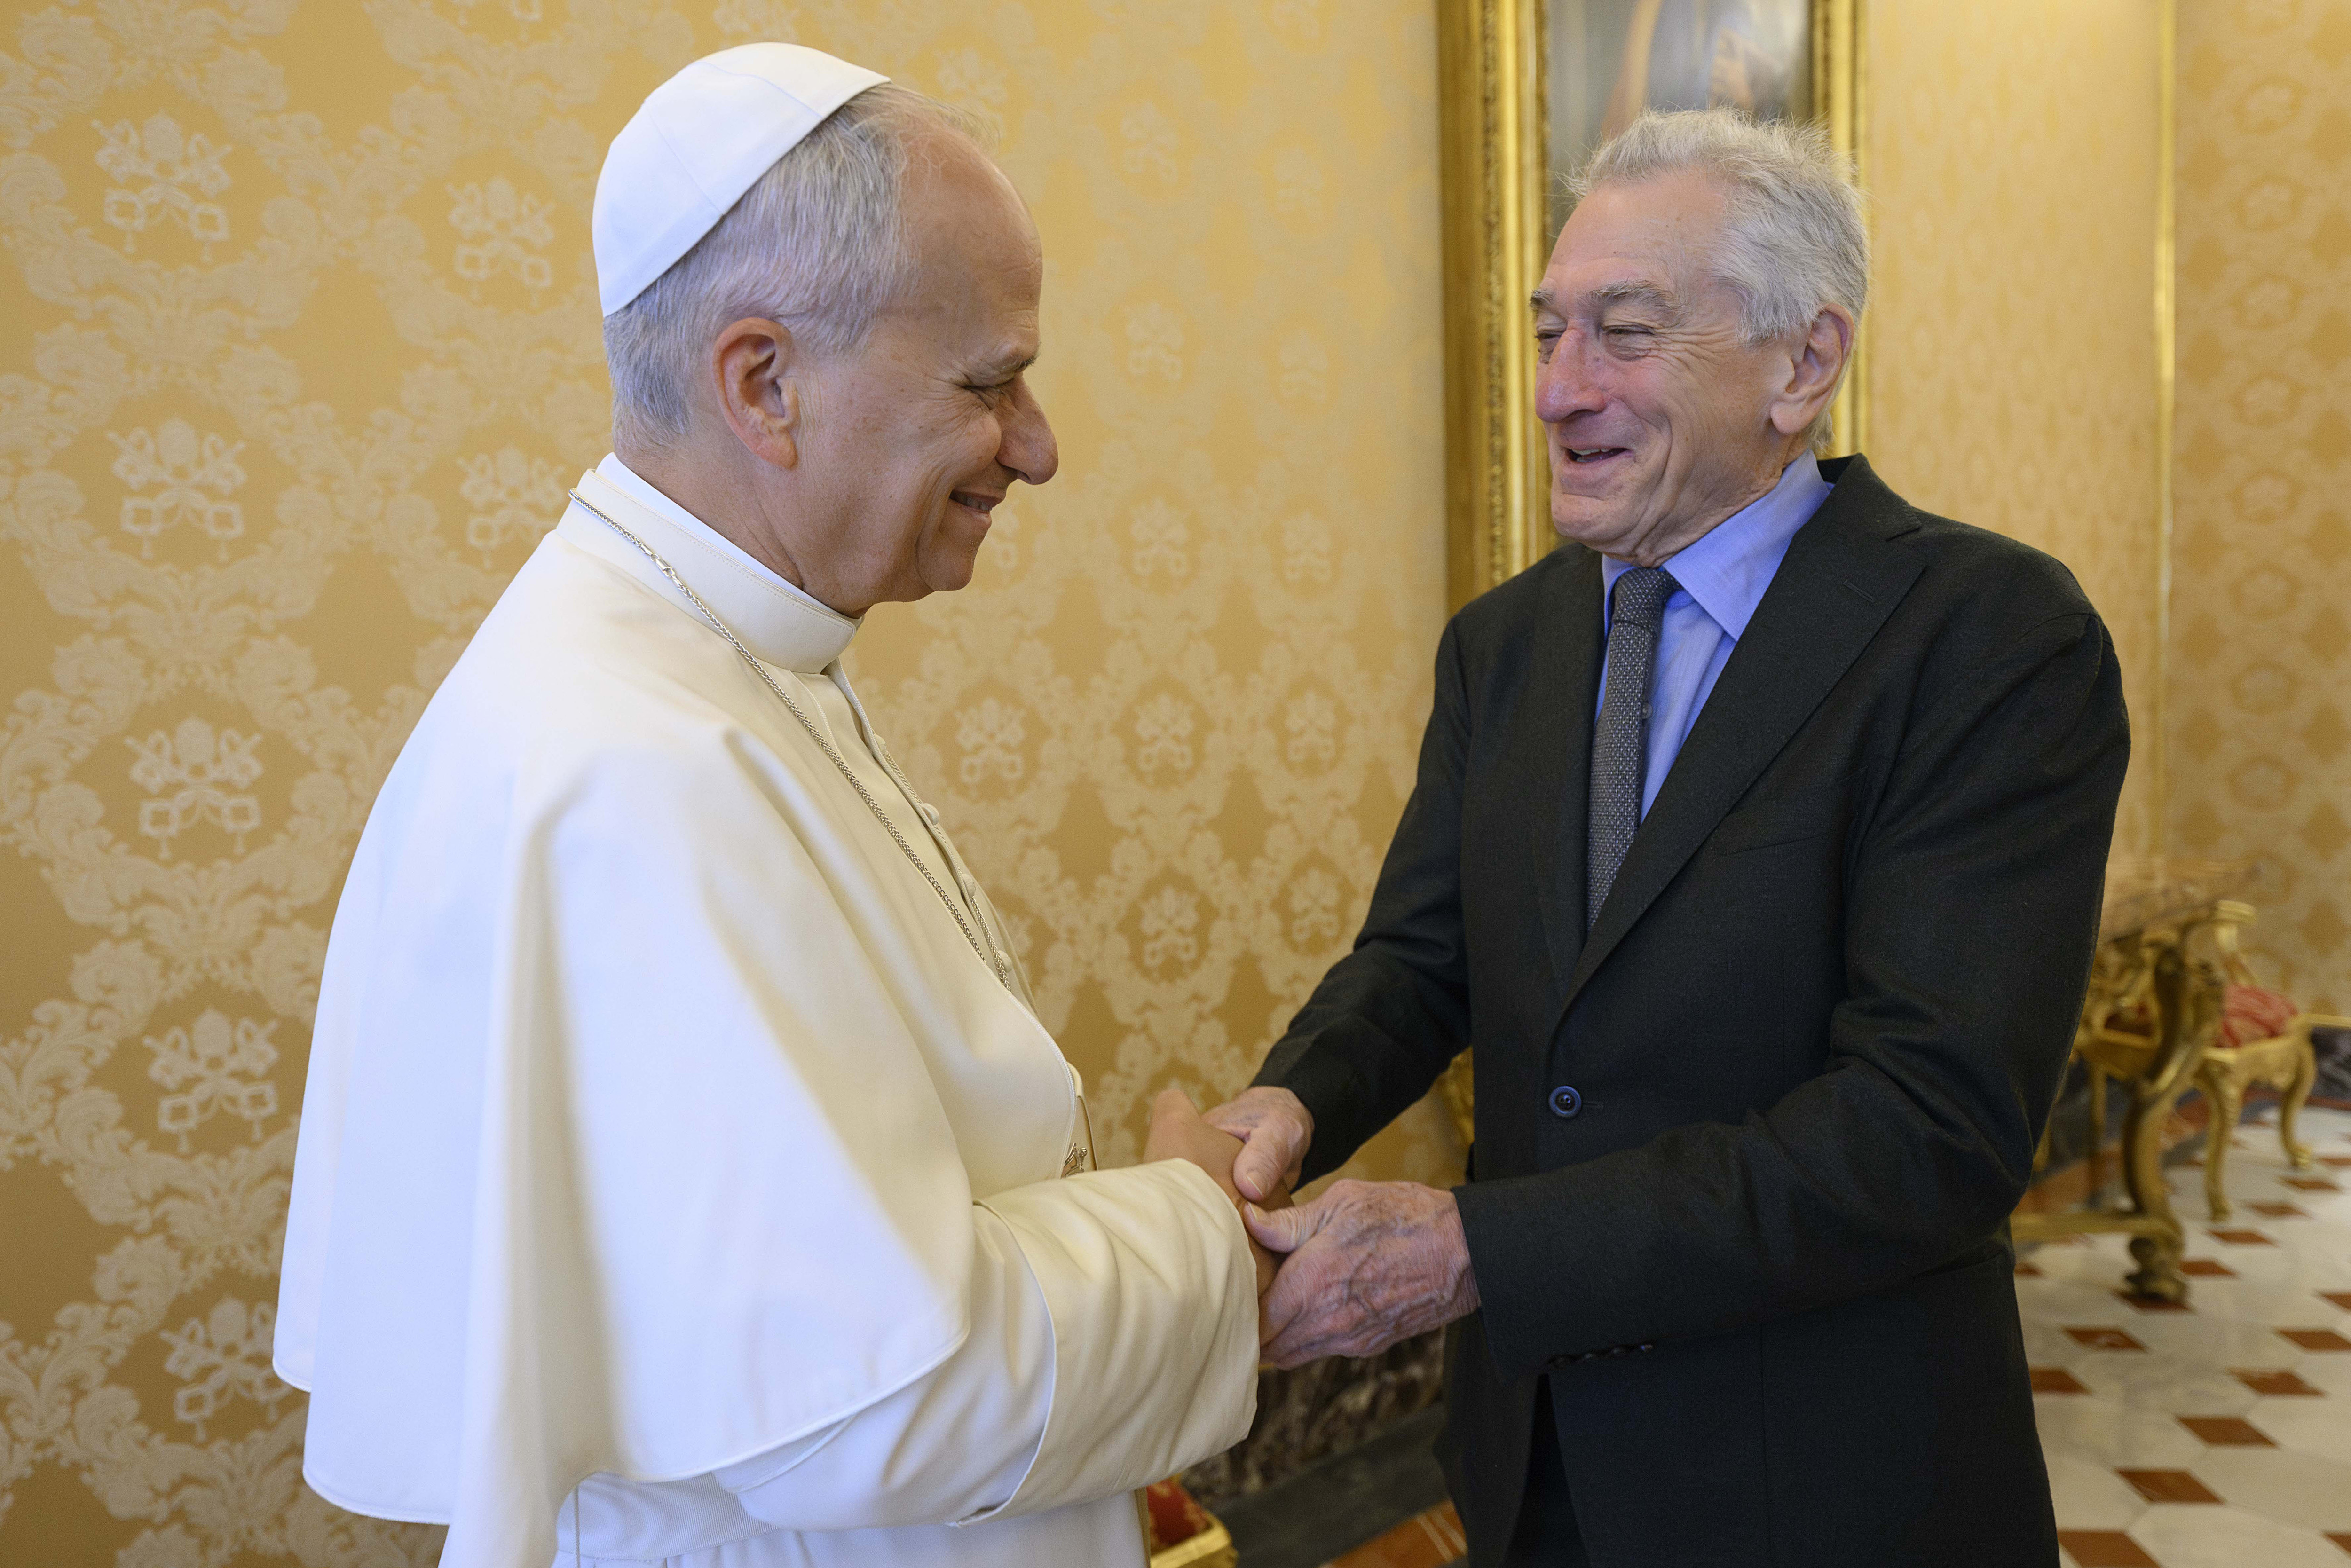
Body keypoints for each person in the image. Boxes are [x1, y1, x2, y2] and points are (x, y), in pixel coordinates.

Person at [275, 44, 1273, 1568]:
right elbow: (878, 1406)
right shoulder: (632, 764)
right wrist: (1203, 1233)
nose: (1040, 446)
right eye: (991, 381)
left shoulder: (716, 656)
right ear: (765, 383)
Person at [1207, 109, 2127, 1568]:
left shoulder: (1989, 639)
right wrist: (1294, 1099)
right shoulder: (1503, 643)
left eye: (1624, 334)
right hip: (1535, 1464)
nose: (1560, 390)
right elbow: (1425, 951)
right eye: (1548, 331)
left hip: (1827, 1482)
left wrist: (1477, 1251)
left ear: (1802, 363)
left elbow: (1930, 1127)